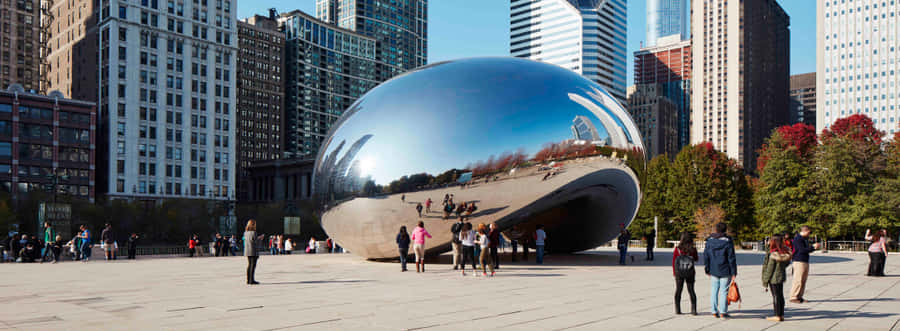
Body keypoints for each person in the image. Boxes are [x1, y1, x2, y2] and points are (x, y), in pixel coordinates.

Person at [704, 222, 737, 319]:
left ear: (716, 229)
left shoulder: (709, 241)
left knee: (714, 290)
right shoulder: (728, 241)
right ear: (725, 230)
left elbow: (706, 256)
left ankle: (714, 311)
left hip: (713, 269)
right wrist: (734, 271)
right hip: (725, 269)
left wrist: (707, 268)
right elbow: (731, 258)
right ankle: (723, 311)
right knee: (724, 291)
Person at [762, 234, 793, 322]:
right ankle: (781, 314)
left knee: (775, 296)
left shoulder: (773, 254)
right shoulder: (783, 252)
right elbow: (786, 264)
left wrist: (765, 280)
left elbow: (769, 268)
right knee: (780, 295)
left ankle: (777, 315)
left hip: (773, 278)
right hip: (781, 276)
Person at [790, 225, 820, 303]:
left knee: (803, 280)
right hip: (799, 261)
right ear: (805, 231)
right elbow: (802, 250)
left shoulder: (804, 239)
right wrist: (813, 247)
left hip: (804, 260)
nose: (809, 234)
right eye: (809, 232)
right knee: (798, 280)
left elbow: (806, 250)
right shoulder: (798, 239)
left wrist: (812, 248)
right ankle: (793, 297)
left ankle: (799, 296)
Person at [673, 232, 698, 315]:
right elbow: (696, 259)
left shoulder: (677, 249)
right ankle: (693, 309)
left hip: (679, 272)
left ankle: (678, 309)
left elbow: (674, 261)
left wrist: (674, 273)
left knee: (678, 290)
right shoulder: (693, 249)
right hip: (690, 272)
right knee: (691, 290)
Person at [244, 220, 260, 285]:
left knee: (249, 265)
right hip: (253, 251)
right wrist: (260, 239)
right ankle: (252, 280)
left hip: (247, 251)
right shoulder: (254, 233)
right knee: (253, 265)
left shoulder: (246, 232)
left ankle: (248, 280)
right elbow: (255, 242)